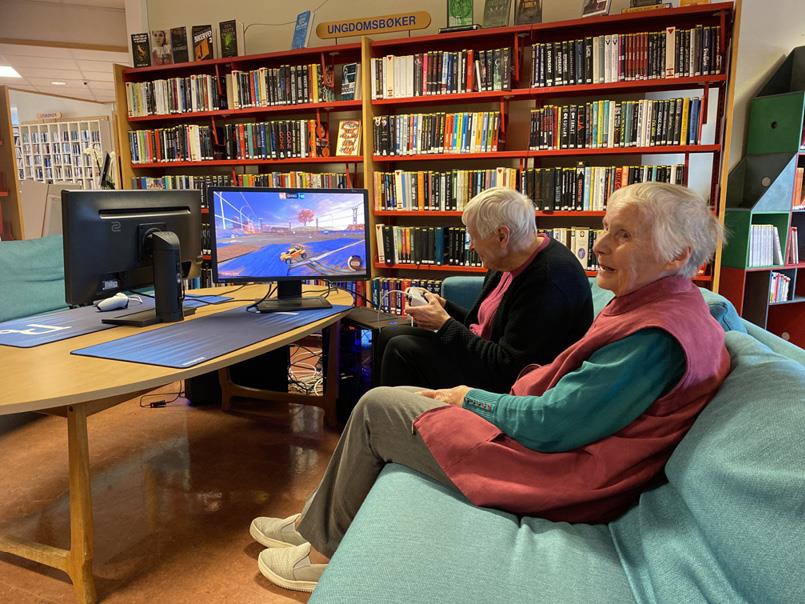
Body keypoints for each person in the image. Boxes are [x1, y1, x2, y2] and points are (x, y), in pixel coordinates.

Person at [251, 182, 731, 593]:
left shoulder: (654, 337)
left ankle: (319, 553)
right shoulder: (658, 306)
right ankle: (315, 521)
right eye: (605, 228)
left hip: (556, 467)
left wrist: (468, 397)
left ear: (678, 254)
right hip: (546, 438)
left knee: (378, 407)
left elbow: (551, 424)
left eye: (622, 235)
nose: (600, 246)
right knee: (394, 381)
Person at [378, 186, 593, 393]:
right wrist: (446, 308)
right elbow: (485, 325)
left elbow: (508, 368)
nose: (471, 246)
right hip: (487, 357)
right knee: (390, 333)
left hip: (507, 382)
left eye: (474, 236)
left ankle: (401, 414)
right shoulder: (508, 258)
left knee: (401, 349)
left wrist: (445, 324)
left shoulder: (548, 281)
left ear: (502, 236)